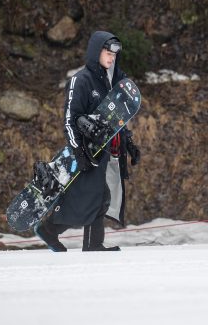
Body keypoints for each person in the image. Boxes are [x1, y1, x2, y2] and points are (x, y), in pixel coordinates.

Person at [33, 31, 141, 252]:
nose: (111, 57)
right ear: (96, 51)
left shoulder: (115, 80)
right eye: (107, 52)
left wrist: (129, 143)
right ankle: (52, 231)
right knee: (90, 200)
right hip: (86, 151)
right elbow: (70, 120)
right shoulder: (81, 80)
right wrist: (78, 151)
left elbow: (118, 118)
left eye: (114, 54)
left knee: (95, 199)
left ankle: (83, 242)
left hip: (104, 152)